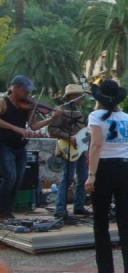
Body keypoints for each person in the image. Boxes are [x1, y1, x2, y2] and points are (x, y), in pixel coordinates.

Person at [84, 80, 128, 273]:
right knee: (125, 223)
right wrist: (127, 160)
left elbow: (96, 145)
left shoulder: (95, 117)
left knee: (100, 222)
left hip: (104, 170)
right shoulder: (126, 118)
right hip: (123, 170)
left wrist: (91, 175)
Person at [0, 75, 62, 219]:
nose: (28, 94)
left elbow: (34, 126)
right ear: (15, 88)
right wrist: (16, 128)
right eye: (25, 90)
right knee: (9, 177)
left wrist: (51, 119)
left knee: (18, 179)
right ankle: (2, 210)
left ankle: (7, 210)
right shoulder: (3, 103)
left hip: (20, 145)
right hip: (4, 144)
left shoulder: (27, 107)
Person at [48, 84, 91, 218]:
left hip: (80, 149)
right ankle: (60, 209)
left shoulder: (78, 112)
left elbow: (83, 133)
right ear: (71, 97)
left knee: (83, 178)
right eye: (78, 96)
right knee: (68, 178)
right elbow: (52, 130)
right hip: (67, 148)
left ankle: (79, 206)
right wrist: (69, 137)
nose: (81, 99)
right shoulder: (61, 111)